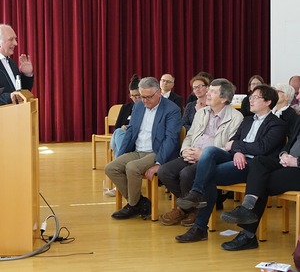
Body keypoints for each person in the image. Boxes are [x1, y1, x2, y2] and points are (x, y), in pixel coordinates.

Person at [174, 84, 288, 243]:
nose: (251, 100)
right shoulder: (247, 120)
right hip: (237, 157)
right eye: (251, 97)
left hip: (253, 165)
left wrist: (237, 148)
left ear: (268, 101)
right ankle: (197, 193)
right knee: (209, 151)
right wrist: (238, 151)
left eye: (255, 97)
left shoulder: (277, 124)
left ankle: (199, 227)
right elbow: (232, 141)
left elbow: (261, 148)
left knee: (209, 175)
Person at [157, 78, 244, 227]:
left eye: (213, 91)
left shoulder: (236, 117)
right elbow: (190, 135)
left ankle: (185, 209)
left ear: (223, 98)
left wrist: (203, 154)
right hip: (191, 153)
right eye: (209, 90)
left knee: (186, 174)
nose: (207, 94)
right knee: (164, 171)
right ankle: (190, 208)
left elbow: (230, 147)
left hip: (211, 157)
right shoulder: (201, 112)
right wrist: (185, 150)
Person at [105, 77, 182, 220]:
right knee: (111, 168)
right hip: (137, 150)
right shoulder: (139, 106)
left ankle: (133, 206)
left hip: (156, 152)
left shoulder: (172, 110)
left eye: (148, 97)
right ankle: (141, 202)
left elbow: (171, 139)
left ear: (159, 93)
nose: (144, 101)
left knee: (132, 168)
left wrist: (159, 162)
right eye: (142, 97)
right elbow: (131, 131)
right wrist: (121, 154)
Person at [220, 115, 300, 251]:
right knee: (259, 161)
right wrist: (284, 155)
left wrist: (296, 162)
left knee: (261, 182)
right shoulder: (298, 118)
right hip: (289, 162)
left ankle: (248, 234)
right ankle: (247, 208)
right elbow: (290, 142)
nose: (297, 97)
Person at [105, 74, 141, 197]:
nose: (135, 98)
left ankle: (119, 182)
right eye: (132, 96)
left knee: (119, 136)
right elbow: (117, 127)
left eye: (137, 96)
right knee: (119, 132)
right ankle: (122, 165)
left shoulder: (146, 108)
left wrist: (130, 128)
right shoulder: (126, 107)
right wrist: (123, 128)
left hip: (137, 140)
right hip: (123, 139)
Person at [0, 24, 34, 105]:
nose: (15, 43)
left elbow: (22, 93)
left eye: (15, 39)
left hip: (17, 115)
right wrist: (10, 97)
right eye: (11, 39)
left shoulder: (12, 63)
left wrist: (27, 75)